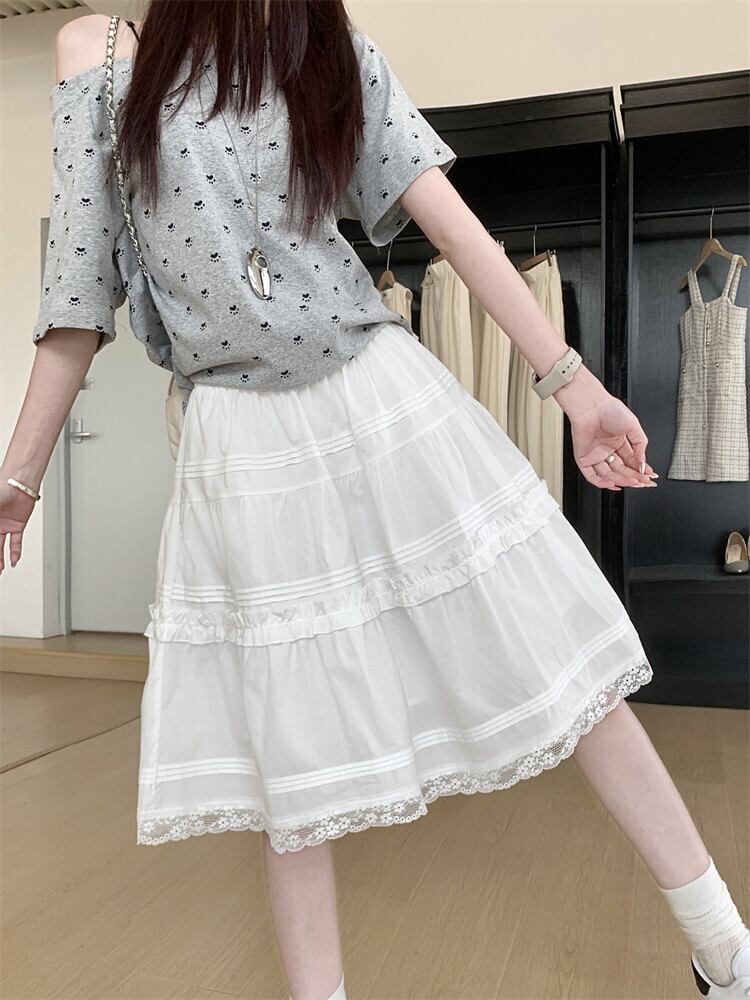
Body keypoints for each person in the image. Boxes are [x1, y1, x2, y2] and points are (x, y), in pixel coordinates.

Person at [2, 5, 748, 999]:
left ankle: (725, 949)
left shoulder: (327, 51)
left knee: (559, 658)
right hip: (241, 441)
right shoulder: (97, 55)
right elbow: (76, 294)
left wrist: (572, 385)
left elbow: (448, 218)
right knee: (291, 758)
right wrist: (20, 478)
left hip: (382, 395)